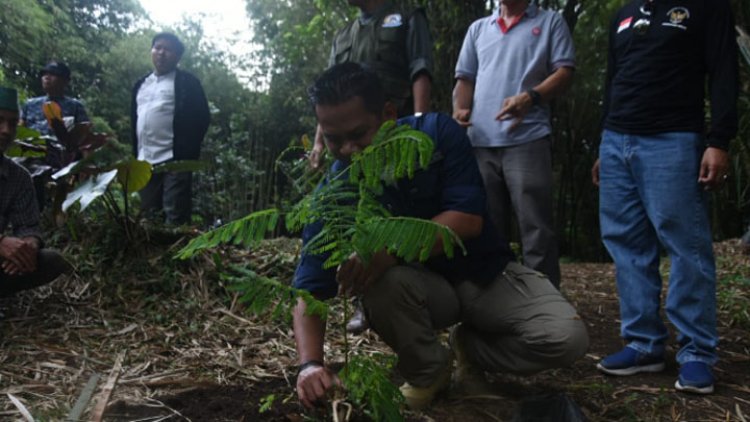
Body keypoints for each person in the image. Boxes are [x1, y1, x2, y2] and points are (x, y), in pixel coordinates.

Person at [293, 63, 588, 411]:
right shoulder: (333, 193)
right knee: (380, 278)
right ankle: (428, 369)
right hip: (419, 292)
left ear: (388, 114)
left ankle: (470, 348)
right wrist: (309, 365)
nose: (347, 150)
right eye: (333, 139)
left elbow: (466, 220)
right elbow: (309, 288)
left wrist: (390, 250)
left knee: (566, 338)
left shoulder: (436, 134)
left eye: (358, 134)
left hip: (483, 273)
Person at [592, 0, 738, 395]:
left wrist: (719, 140)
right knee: (626, 243)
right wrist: (603, 145)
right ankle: (643, 344)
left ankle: (697, 353)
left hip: (673, 140)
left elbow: (725, 72)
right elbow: (613, 80)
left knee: (685, 244)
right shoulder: (623, 14)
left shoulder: (707, 8)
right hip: (617, 141)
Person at [313, 0, 435, 333]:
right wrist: (320, 143)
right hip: (350, 146)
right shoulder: (345, 34)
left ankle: (417, 292)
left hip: (393, 136)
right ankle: (361, 300)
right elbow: (326, 95)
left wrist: (420, 125)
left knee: (398, 216)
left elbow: (420, 70)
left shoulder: (407, 17)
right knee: (355, 215)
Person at [453, 0, 575, 288]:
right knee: (485, 227)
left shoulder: (550, 22)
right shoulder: (478, 29)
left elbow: (565, 72)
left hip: (527, 138)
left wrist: (530, 97)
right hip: (480, 142)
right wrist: (459, 110)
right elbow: (465, 79)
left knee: (536, 228)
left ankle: (544, 303)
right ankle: (496, 300)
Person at [131, 32, 210, 225]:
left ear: (177, 56)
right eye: (157, 47)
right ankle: (151, 256)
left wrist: (186, 152)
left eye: (168, 49)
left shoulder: (187, 83)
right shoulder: (141, 84)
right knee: (148, 218)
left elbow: (202, 117)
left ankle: (177, 254)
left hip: (174, 160)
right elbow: (134, 119)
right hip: (145, 161)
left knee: (175, 215)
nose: (161, 53)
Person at [0, 86, 71, 297]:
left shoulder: (19, 177)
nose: (5, 130)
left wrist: (28, 247)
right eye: (0, 120)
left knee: (50, 261)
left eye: (12, 124)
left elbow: (28, 226)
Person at [20, 61, 91, 208]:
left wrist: (86, 165)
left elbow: (84, 137)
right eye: (44, 74)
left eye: (52, 74)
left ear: (65, 81)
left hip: (61, 161)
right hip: (30, 157)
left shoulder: (75, 106)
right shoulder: (30, 104)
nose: (46, 77)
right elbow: (20, 132)